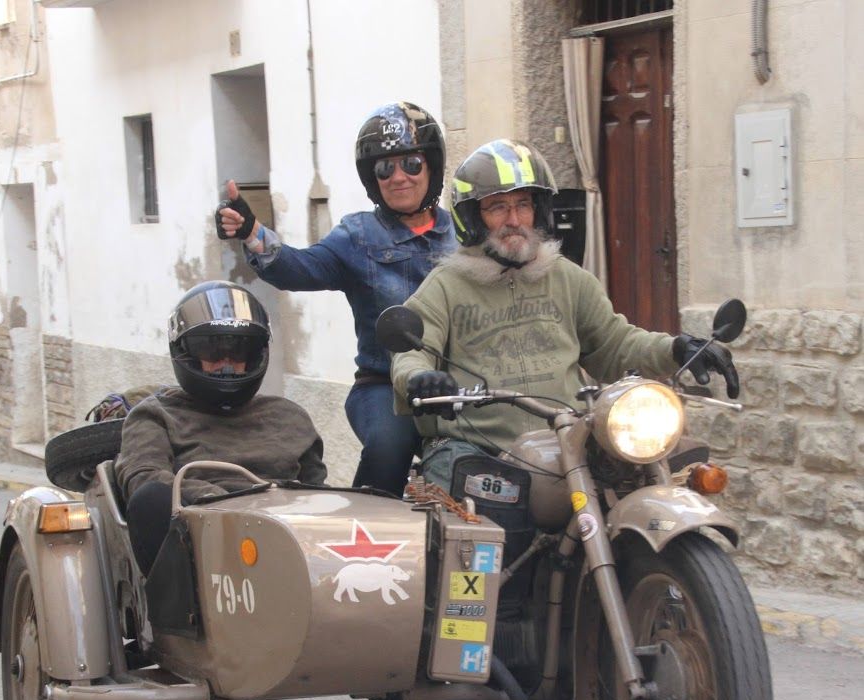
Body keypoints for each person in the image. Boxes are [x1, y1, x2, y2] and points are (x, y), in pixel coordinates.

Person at [390, 138, 739, 488]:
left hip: (568, 442)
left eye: (523, 205)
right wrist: (421, 379)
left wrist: (676, 349)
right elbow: (411, 350)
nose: (514, 220)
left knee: (644, 483)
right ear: (472, 217)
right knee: (473, 526)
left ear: (538, 211)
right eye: (497, 207)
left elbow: (615, 342)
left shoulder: (567, 278)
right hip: (480, 447)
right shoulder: (446, 285)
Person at [215, 101, 456, 497]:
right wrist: (252, 230)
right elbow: (299, 267)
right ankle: (364, 534)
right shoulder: (359, 236)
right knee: (389, 449)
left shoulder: (462, 236)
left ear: (430, 166)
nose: (399, 176)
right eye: (385, 167)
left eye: (411, 163)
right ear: (372, 177)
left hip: (456, 385)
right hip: (384, 387)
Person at [115, 281, 326, 575]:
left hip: (287, 544)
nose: (226, 362)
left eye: (239, 350)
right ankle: (176, 621)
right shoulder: (153, 415)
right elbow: (144, 479)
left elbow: (318, 492)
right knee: (151, 500)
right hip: (199, 553)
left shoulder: (289, 416)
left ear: (255, 354)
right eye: (212, 349)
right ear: (186, 352)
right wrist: (231, 504)